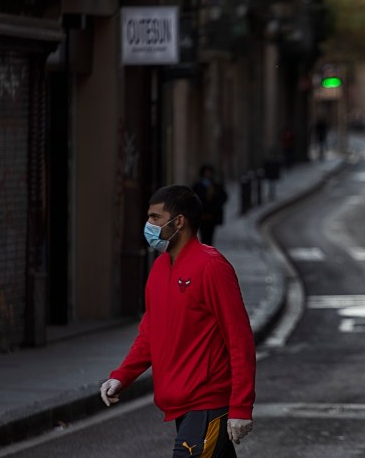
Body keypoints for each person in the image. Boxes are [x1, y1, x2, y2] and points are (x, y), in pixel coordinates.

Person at [99, 185, 256, 457]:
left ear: (179, 221)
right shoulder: (160, 268)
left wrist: (241, 407)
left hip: (208, 403)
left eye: (155, 217)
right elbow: (150, 333)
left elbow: (239, 339)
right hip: (182, 406)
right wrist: (122, 376)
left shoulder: (211, 266)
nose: (148, 225)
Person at [192, 164, 228, 246]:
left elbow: (223, 197)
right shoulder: (198, 186)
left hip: (212, 215)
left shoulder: (215, 186)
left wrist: (217, 205)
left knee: (210, 236)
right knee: (203, 235)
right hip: (202, 215)